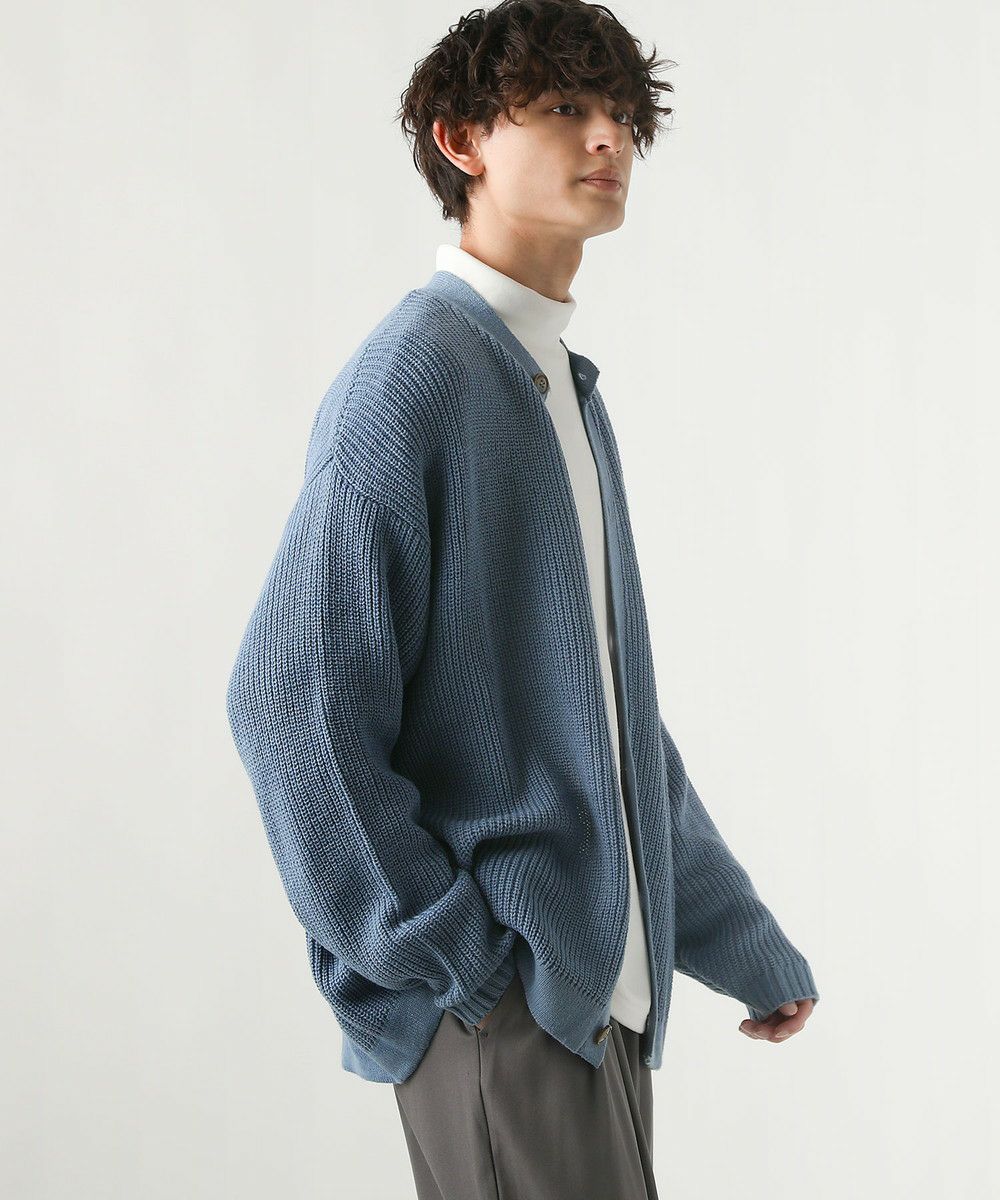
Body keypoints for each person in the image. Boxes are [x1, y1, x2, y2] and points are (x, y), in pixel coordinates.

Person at [225, 2, 819, 1196]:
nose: (607, 137)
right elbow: (289, 703)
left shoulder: (555, 384)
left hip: (588, 1004)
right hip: (508, 1008)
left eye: (621, 114)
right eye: (561, 108)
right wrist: (456, 960)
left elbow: (601, 725)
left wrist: (733, 934)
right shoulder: (417, 377)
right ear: (461, 141)